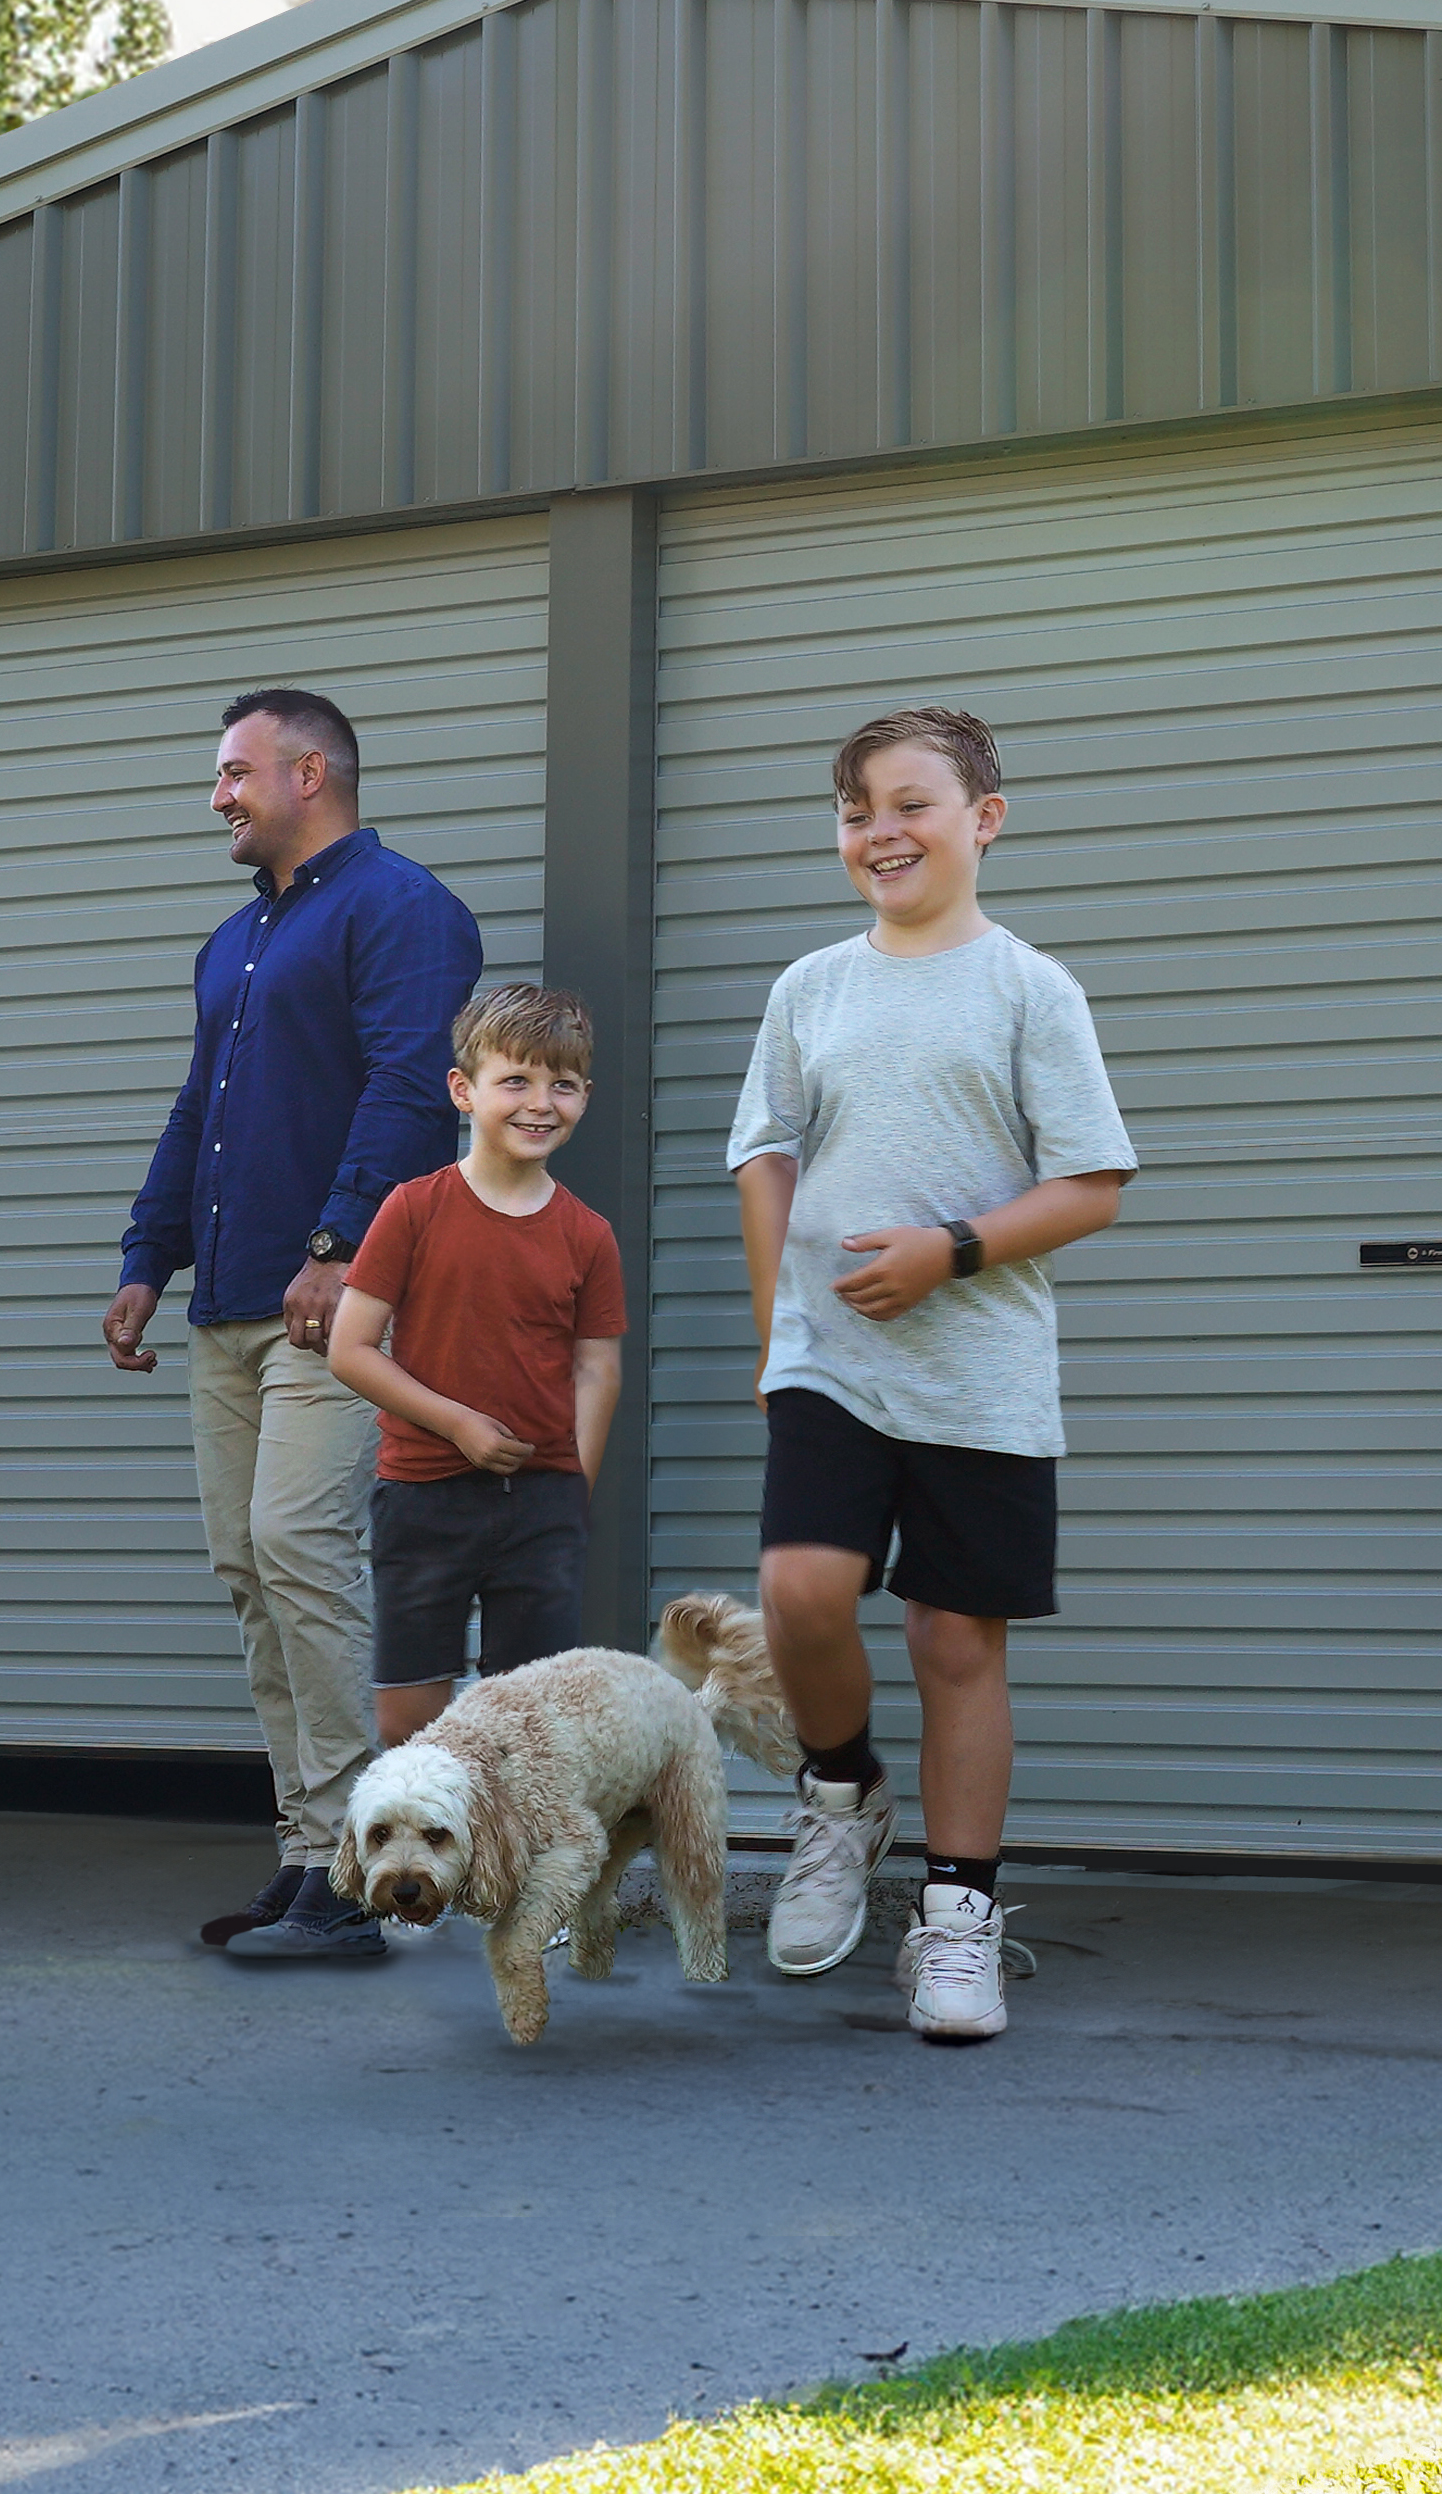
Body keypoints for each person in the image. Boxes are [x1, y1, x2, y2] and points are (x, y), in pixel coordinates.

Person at [726, 704, 1141, 2048]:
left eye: (909, 803)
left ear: (983, 820)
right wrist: (772, 1328)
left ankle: (955, 1918)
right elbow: (763, 1156)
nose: (878, 831)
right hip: (828, 1363)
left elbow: (1090, 1185)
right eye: (854, 809)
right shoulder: (810, 989)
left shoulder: (1030, 989)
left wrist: (946, 1253)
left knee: (952, 1640)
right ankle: (839, 1795)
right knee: (799, 1592)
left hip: (978, 1369)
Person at [99, 684, 481, 1962]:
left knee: (301, 1552)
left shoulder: (405, 909)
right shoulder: (232, 942)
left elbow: (414, 1091)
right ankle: (308, 1848)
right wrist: (148, 1254)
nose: (219, 794)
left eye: (234, 772)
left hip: (343, 1305)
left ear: (310, 772)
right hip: (227, 1304)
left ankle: (372, 1866)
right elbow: (192, 1106)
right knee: (251, 1572)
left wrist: (337, 1244)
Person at [321, 977, 625, 1749]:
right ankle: (432, 1870)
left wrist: (569, 1492)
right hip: (423, 1497)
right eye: (514, 1079)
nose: (538, 1102)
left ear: (584, 1096)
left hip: (541, 1508)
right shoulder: (413, 1209)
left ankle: (514, 1870)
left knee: (529, 1724)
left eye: (561, 1084)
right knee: (408, 1723)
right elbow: (350, 1350)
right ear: (463, 1090)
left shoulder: (587, 1235)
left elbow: (596, 1371)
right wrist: (457, 1424)